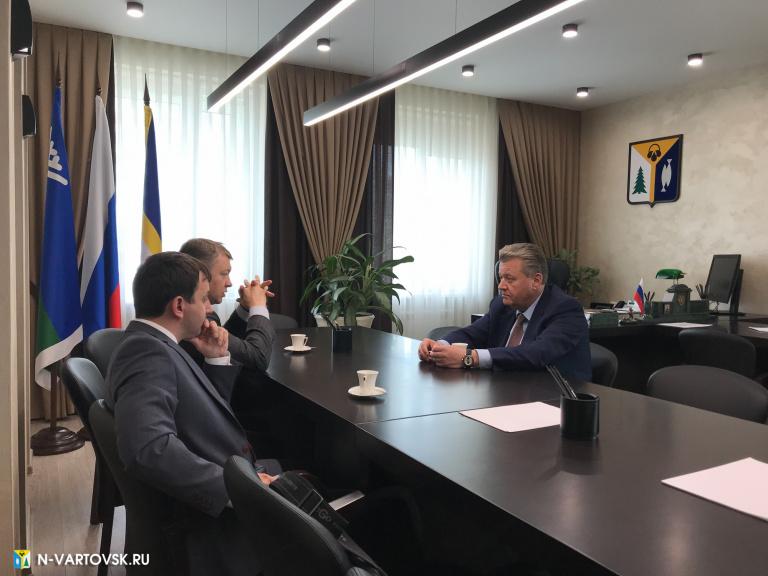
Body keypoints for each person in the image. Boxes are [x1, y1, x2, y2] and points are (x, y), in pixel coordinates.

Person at [106, 252, 280, 574]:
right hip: (210, 518)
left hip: (228, 474)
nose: (210, 308)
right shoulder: (146, 351)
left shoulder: (160, 343)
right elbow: (147, 448)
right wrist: (237, 489)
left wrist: (216, 359)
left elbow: (201, 414)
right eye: (203, 299)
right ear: (179, 306)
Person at [419, 242, 591, 380]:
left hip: (553, 397)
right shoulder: (502, 305)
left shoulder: (566, 309)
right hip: (506, 389)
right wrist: (440, 346)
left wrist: (470, 357)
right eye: (501, 277)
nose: (501, 286)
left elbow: (535, 354)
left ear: (536, 281)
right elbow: (472, 333)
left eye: (509, 279)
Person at [179, 238, 274, 371]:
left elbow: (224, 342)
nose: (229, 283)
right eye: (224, 274)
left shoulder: (200, 313)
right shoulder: (196, 318)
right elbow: (258, 359)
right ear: (201, 275)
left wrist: (245, 307)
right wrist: (258, 306)